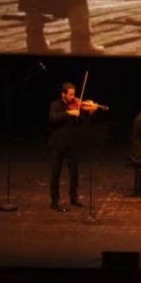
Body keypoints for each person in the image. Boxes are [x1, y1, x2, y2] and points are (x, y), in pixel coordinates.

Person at [48, 81, 97, 212]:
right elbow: (53, 118)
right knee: (56, 172)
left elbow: (83, 123)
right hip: (58, 143)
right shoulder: (55, 105)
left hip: (73, 143)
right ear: (63, 94)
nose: (73, 97)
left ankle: (74, 198)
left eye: (74, 94)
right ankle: (55, 201)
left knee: (74, 172)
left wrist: (90, 113)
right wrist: (68, 113)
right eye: (70, 94)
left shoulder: (77, 105)